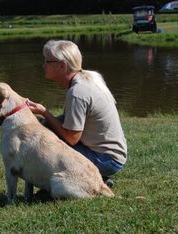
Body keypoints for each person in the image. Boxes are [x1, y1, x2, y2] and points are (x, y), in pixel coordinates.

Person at [26, 40, 127, 186]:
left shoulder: (77, 92)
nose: (44, 65)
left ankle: (59, 186)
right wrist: (45, 120)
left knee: (47, 145)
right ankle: (95, 179)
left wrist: (45, 113)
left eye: (47, 61)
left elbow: (71, 138)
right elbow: (69, 122)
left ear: (62, 65)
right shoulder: (87, 79)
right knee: (46, 131)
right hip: (111, 156)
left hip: (107, 160)